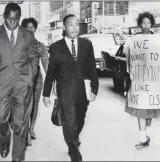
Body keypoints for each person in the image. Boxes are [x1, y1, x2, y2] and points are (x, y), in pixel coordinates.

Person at [0, 3, 38, 161]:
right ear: (3, 17)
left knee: (20, 124)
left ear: (19, 18)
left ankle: (18, 158)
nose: (12, 23)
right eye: (9, 19)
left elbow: (33, 58)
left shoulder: (28, 35)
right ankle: (4, 139)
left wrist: (30, 77)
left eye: (15, 20)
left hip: (21, 85)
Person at [43, 14, 99, 161]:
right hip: (64, 90)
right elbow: (51, 72)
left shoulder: (87, 44)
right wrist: (46, 94)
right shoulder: (55, 47)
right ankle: (74, 150)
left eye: (76, 24)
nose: (74, 27)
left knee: (80, 118)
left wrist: (94, 88)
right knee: (69, 122)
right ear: (64, 27)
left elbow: (92, 67)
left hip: (82, 90)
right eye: (70, 24)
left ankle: (71, 140)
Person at [124, 12, 160, 149]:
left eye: (148, 23)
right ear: (139, 24)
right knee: (140, 110)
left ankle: (146, 134)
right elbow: (128, 56)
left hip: (153, 82)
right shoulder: (134, 39)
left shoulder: (158, 39)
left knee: (149, 112)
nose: (146, 25)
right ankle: (143, 139)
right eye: (143, 23)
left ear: (152, 24)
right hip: (138, 82)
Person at [21, 17, 48, 145]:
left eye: (32, 27)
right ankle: (25, 132)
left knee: (35, 105)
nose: (30, 29)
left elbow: (46, 64)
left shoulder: (40, 46)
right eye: (27, 27)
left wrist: (52, 80)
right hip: (22, 80)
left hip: (37, 79)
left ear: (35, 29)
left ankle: (31, 129)